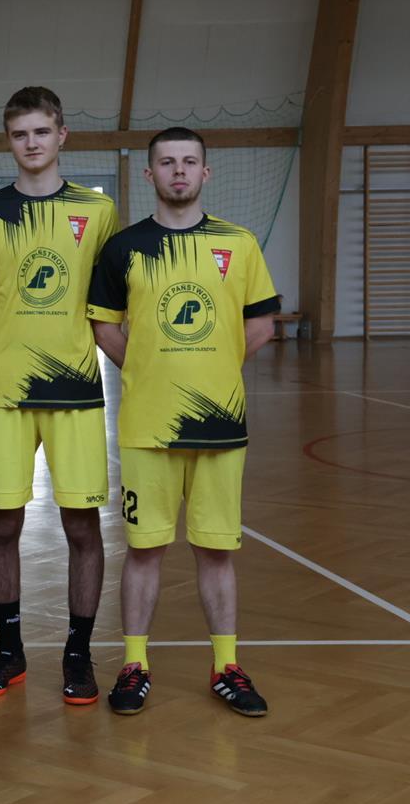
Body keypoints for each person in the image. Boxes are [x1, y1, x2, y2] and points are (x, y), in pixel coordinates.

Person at [88, 127, 279, 718]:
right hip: (147, 429)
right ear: (149, 174)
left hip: (221, 427)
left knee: (215, 551)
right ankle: (134, 664)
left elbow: (261, 324)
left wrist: (214, 369)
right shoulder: (124, 248)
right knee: (144, 549)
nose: (179, 171)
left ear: (205, 172)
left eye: (189, 162)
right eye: (167, 162)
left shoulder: (239, 243)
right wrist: (148, 371)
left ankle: (227, 666)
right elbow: (104, 326)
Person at [0, 86, 118, 706]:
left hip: (77, 391)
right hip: (5, 395)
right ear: (10, 140)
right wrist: (1, 353)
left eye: (41, 132)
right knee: (3, 524)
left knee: (82, 525)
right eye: (20, 134)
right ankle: (10, 651)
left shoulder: (97, 211)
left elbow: (108, 299)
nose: (31, 143)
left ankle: (78, 654)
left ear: (61, 135)